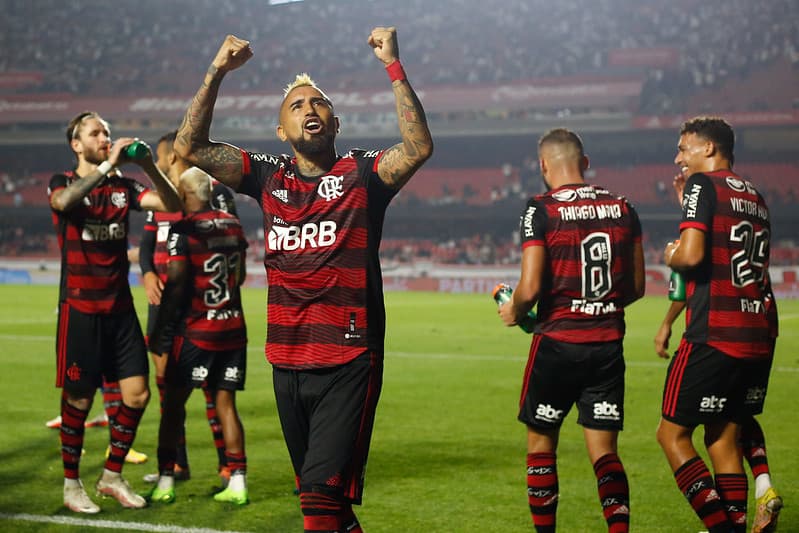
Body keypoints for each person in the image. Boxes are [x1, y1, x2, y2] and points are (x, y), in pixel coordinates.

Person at [174, 27, 433, 531]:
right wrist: (216, 72)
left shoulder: (362, 173)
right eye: (296, 106)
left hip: (348, 357)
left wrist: (393, 66)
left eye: (319, 104)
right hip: (286, 358)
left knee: (317, 500)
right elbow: (189, 145)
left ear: (335, 121)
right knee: (327, 506)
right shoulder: (268, 176)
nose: (309, 109)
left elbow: (418, 147)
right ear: (280, 130)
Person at [498, 128, 645, 533]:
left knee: (542, 445)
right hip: (607, 346)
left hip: (557, 345)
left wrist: (515, 309)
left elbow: (528, 288)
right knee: (604, 454)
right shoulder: (623, 206)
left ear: (543, 166)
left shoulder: (540, 209)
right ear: (585, 161)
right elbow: (636, 287)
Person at [49, 111, 182, 513]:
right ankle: (72, 485)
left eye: (106, 131)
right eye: (95, 132)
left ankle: (111, 476)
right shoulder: (64, 182)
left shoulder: (124, 187)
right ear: (77, 144)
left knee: (138, 395)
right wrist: (108, 165)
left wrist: (146, 167)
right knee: (78, 400)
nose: (104, 136)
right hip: (81, 309)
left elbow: (172, 204)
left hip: (120, 310)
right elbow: (63, 202)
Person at [656, 116, 779, 533]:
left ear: (708, 149)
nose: (678, 157)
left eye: (683, 148)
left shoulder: (702, 185)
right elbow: (727, 246)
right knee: (724, 440)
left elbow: (690, 256)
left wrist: (670, 251)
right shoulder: (756, 195)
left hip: (715, 333)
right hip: (757, 333)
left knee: (671, 436)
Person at [139, 130, 238, 485]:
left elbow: (229, 250)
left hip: (201, 307)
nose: (164, 162)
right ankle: (176, 464)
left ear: (171, 157)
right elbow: (147, 245)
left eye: (164, 157)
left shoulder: (215, 193)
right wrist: (148, 273)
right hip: (162, 304)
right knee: (167, 385)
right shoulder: (161, 200)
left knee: (214, 388)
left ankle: (228, 465)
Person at [655, 301, 783, 533]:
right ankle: (762, 485)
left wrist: (667, 322)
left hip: (716, 330)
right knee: (726, 432)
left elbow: (688, 268)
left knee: (671, 434)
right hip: (761, 328)